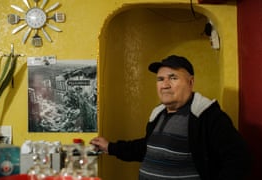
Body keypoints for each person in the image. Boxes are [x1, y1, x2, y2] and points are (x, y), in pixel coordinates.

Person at [90, 55, 251, 180]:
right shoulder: (158, 114)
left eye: (173, 78)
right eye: (160, 79)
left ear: (190, 82)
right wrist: (110, 147)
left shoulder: (208, 116)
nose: (165, 84)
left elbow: (239, 160)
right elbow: (147, 148)